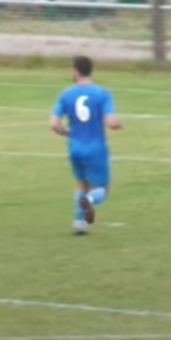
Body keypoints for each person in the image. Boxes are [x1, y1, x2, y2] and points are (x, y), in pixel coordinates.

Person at [49, 56, 122, 236]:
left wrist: (66, 133)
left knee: (81, 184)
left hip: (75, 147)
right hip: (96, 147)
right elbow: (111, 122)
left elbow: (54, 124)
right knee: (102, 189)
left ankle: (79, 224)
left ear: (76, 70)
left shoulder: (66, 94)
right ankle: (89, 200)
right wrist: (118, 124)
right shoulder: (102, 93)